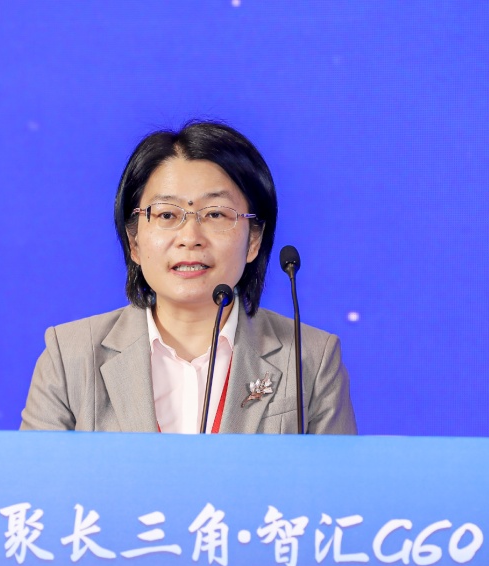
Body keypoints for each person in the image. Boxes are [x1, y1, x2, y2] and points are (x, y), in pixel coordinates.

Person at [21, 121, 356, 434]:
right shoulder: (71, 356)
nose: (190, 237)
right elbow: (37, 477)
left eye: (216, 214)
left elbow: (335, 478)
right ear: (134, 240)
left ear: (254, 239)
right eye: (167, 214)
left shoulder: (310, 358)